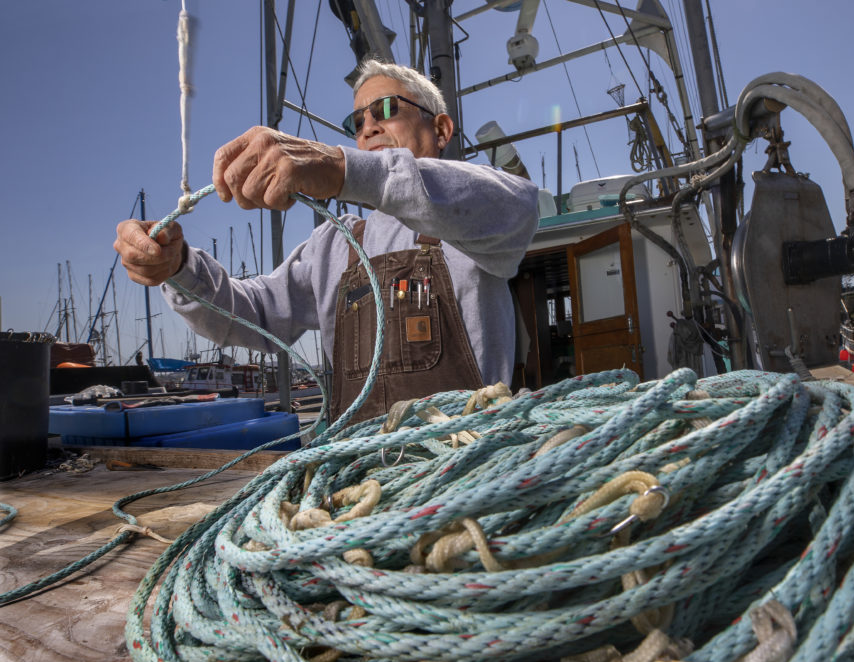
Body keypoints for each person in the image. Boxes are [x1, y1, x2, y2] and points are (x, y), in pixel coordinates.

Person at [114, 59, 539, 422]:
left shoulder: (478, 213)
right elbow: (254, 314)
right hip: (358, 479)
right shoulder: (334, 245)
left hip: (464, 469)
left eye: (386, 109)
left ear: (441, 129)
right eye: (357, 122)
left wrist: (339, 170)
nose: (369, 127)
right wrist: (179, 268)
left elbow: (518, 205)